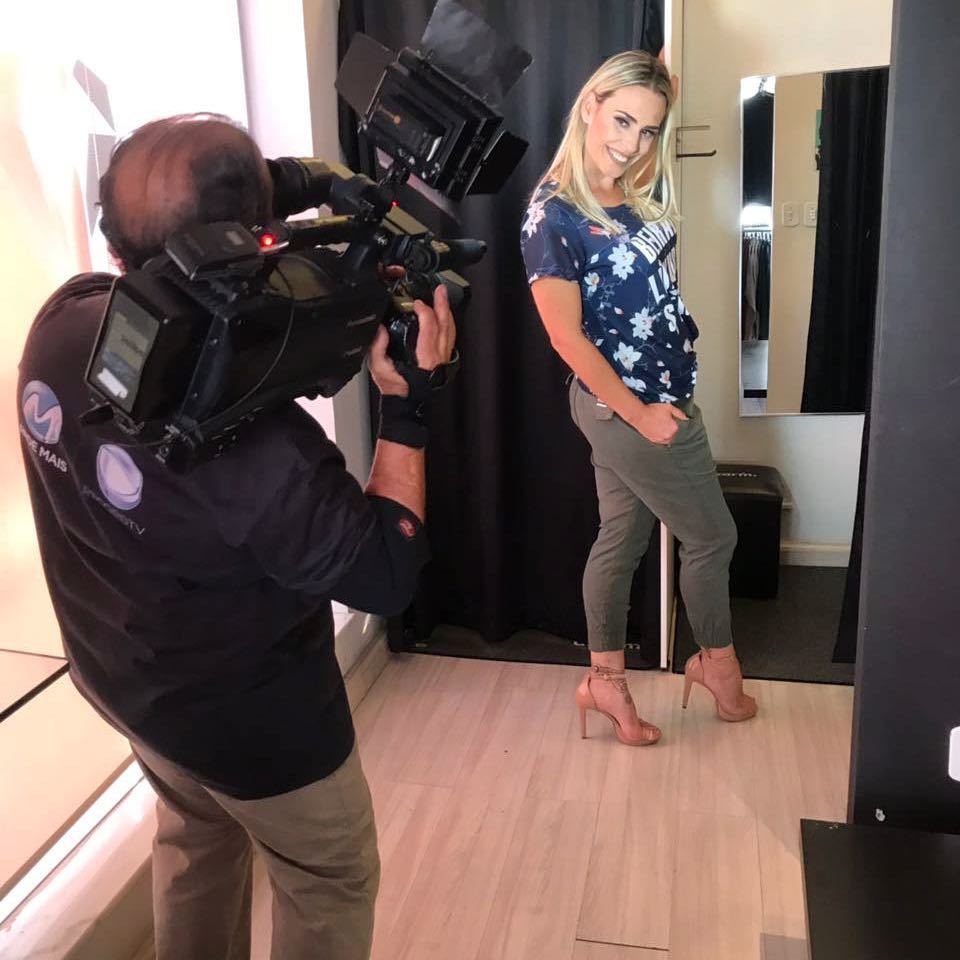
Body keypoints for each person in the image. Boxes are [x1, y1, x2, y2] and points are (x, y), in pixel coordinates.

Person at [18, 114, 455, 960]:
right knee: (328, 878)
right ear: (242, 248)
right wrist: (409, 406)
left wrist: (300, 187)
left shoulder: (63, 323)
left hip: (125, 683)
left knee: (195, 837)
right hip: (260, 733)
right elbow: (386, 570)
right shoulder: (260, 452)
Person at [520, 51, 757, 745]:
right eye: (622, 120)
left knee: (619, 540)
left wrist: (658, 83)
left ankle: (605, 682)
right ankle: (717, 665)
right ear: (589, 105)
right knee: (713, 537)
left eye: (649, 130)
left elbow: (653, 102)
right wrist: (641, 415)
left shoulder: (624, 186)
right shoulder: (553, 216)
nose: (633, 143)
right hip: (629, 409)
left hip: (657, 397)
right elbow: (565, 337)